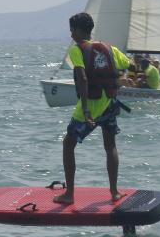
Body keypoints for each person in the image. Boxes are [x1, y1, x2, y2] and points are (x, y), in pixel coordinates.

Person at [53, 12, 131, 205]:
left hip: (90, 106)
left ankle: (69, 194)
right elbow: (127, 64)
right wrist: (118, 80)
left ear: (79, 31)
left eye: (72, 30)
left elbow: (82, 78)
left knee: (68, 144)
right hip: (109, 103)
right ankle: (114, 192)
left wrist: (87, 110)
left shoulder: (76, 50)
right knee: (110, 145)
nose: (71, 35)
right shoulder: (109, 48)